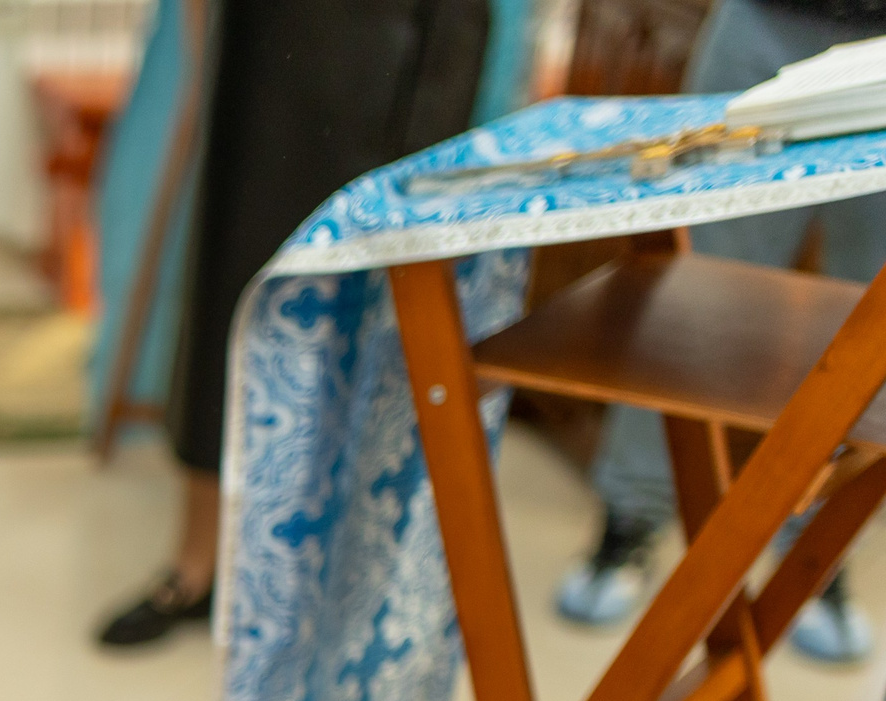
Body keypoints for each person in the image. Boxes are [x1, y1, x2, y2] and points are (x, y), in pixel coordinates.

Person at [94, 0, 490, 647]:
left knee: (355, 333)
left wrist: (429, 135)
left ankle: (327, 586)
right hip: (263, 56)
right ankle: (197, 564)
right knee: (228, 301)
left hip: (387, 74)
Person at [557, 0, 886, 663]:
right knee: (697, 287)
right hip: (766, 22)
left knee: (870, 320)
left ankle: (820, 556)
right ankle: (631, 519)